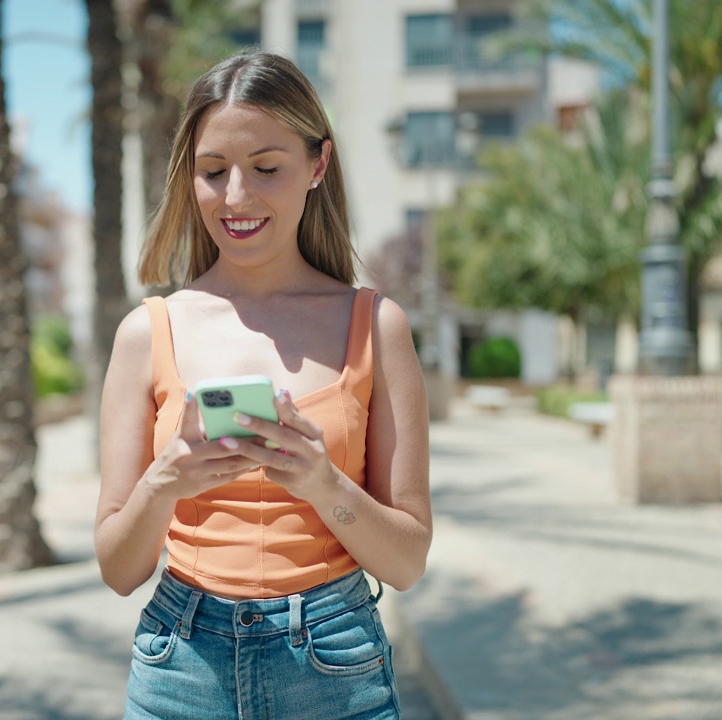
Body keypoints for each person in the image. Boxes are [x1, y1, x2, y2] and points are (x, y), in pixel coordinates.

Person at [95, 50, 432, 719]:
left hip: (335, 662)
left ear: (317, 166)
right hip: (179, 665)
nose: (237, 196)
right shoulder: (146, 332)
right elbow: (119, 569)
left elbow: (407, 562)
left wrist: (322, 482)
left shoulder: (376, 327)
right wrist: (168, 481)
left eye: (267, 168)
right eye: (213, 171)